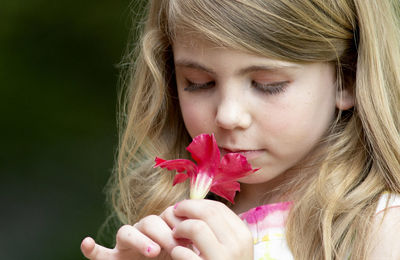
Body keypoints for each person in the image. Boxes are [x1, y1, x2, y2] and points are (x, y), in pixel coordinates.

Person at [80, 0, 400, 259]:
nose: (228, 116)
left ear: (347, 78)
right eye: (199, 83)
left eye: (267, 85)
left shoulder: (380, 230)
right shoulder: (172, 219)